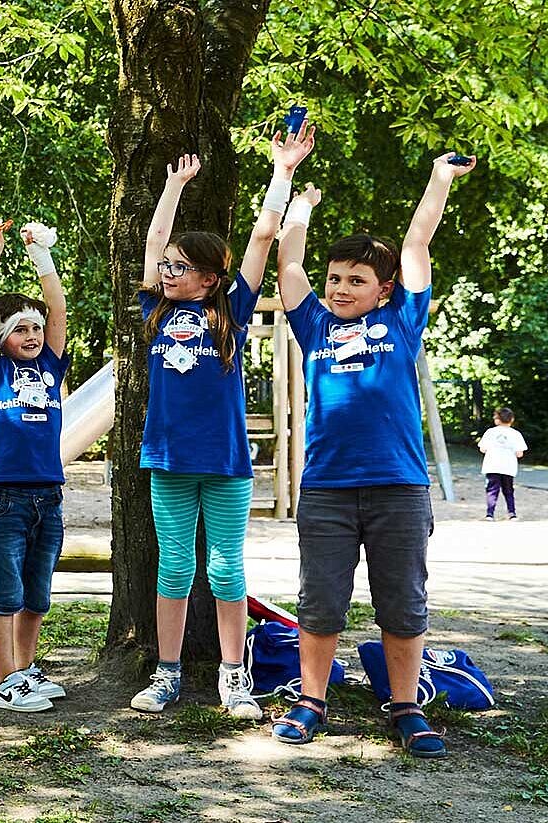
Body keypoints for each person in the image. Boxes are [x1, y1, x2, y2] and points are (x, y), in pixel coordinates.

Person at [270, 149, 477, 758]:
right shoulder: (314, 326)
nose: (340, 288)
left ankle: (406, 705)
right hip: (328, 489)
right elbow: (287, 263)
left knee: (403, 602)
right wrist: (299, 210)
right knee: (320, 601)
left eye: (356, 280)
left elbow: (416, 243)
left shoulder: (404, 321)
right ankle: (311, 702)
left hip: (399, 488)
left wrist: (438, 179)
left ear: (384, 290)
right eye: (335, 278)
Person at [128, 135, 307, 720]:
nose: (167, 270)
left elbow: (260, 238)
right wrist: (173, 187)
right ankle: (167, 673)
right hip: (170, 461)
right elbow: (155, 240)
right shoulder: (157, 309)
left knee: (225, 567)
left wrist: (281, 175)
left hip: (227, 461)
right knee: (174, 566)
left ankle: (234, 677)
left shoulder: (227, 311)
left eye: (180, 267)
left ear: (208, 278)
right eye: (167, 267)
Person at [0, 219, 71, 714]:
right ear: (2, 337)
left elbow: (58, 310)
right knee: (5, 592)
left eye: (35, 327)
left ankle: (25, 672)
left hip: (47, 497)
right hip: (4, 498)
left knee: (37, 595)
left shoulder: (51, 366)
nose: (32, 334)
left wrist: (42, 255)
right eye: (21, 329)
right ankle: (4, 678)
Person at [480, 408, 527, 520]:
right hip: (508, 467)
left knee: (492, 491)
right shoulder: (516, 434)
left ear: (497, 420)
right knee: (508, 490)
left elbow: (482, 449)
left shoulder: (490, 432)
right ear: (512, 419)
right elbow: (519, 453)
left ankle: (490, 514)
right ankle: (512, 513)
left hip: (492, 465)